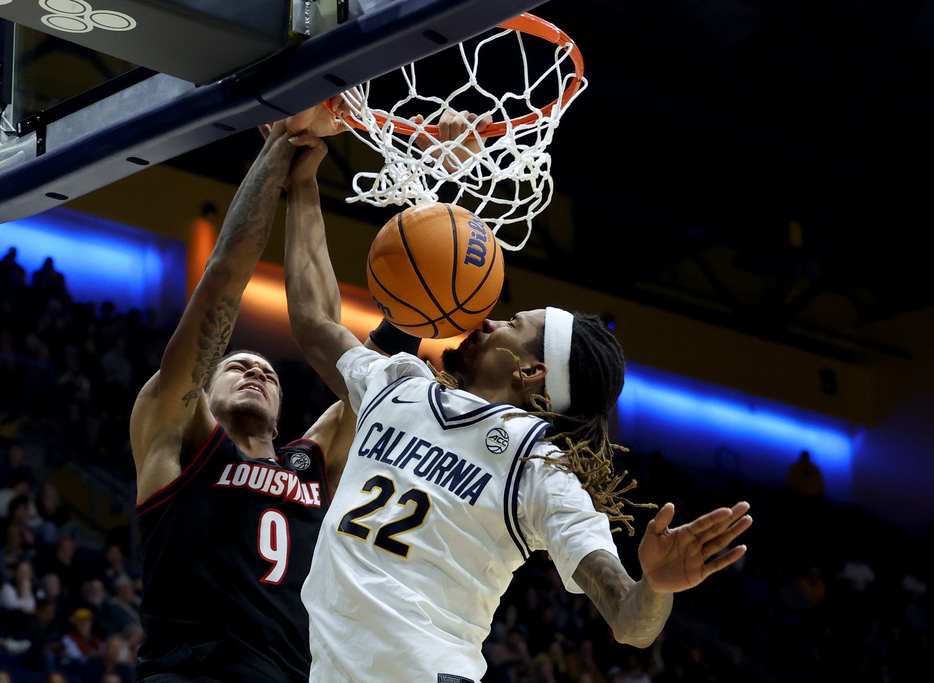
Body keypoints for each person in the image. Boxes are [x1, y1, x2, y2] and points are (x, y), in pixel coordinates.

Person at [281, 124, 754, 682]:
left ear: (531, 372)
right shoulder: (401, 383)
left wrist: (652, 588)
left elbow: (630, 621)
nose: (486, 320)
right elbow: (314, 321)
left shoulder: (541, 471)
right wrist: (305, 181)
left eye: (512, 324)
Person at [127, 100, 393, 682]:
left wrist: (306, 181)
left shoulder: (312, 461)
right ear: (203, 391)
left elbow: (358, 360)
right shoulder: (175, 443)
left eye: (268, 373)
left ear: (280, 416)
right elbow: (224, 275)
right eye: (236, 365)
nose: (256, 371)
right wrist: (279, 142)